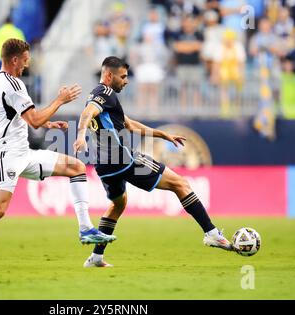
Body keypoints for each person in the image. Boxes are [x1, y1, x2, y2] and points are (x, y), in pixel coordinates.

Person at [0, 39, 116, 271]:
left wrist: (48, 124)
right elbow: (34, 121)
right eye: (25, 61)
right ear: (14, 59)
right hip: (7, 154)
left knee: (76, 167)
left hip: (23, 152)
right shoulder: (13, 84)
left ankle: (85, 229)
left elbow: (18, 116)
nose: (26, 66)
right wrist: (60, 100)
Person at [73, 56, 233, 268]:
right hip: (122, 160)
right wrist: (80, 136)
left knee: (118, 204)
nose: (126, 81)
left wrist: (162, 135)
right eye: (123, 76)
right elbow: (87, 113)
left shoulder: (101, 96)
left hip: (104, 166)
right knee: (181, 184)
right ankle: (211, 233)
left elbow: (129, 124)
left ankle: (96, 258)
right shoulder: (105, 93)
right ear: (109, 76)